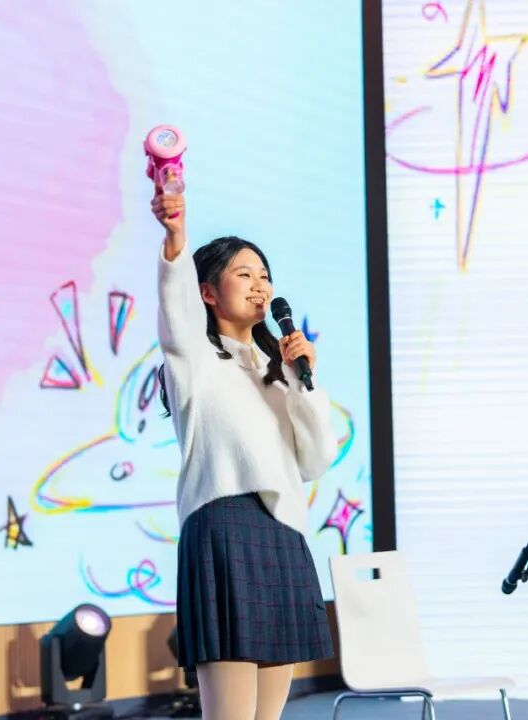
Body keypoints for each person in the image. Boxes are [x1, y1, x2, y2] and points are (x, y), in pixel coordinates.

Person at [152, 184, 336, 720]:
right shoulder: (195, 359)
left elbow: (314, 462)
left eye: (265, 276)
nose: (261, 286)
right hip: (225, 528)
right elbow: (175, 310)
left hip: (283, 532)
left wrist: (303, 381)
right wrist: (175, 237)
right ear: (208, 293)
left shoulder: (279, 375)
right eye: (244, 274)